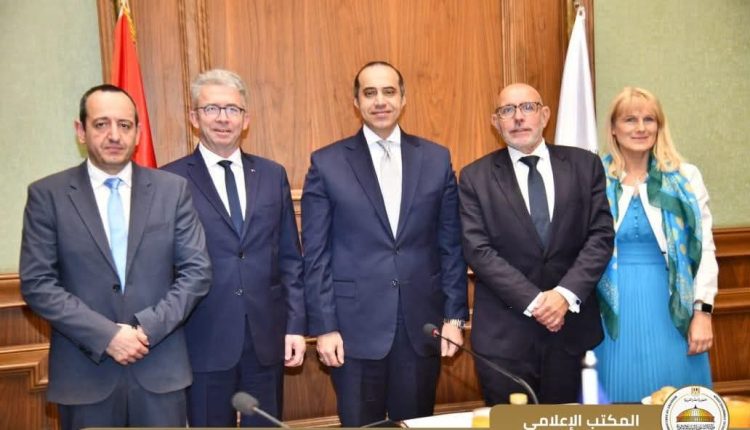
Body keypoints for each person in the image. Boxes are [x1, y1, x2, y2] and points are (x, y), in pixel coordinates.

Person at [19, 84, 211, 430]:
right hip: (85, 376)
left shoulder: (172, 190)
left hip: (159, 371)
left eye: (124, 125)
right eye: (101, 124)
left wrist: (146, 329)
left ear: (138, 133)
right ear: (80, 131)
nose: (114, 135)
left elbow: (196, 272)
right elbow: (38, 284)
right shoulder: (48, 195)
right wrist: (107, 336)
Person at [301, 61, 468, 426]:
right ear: (356, 102)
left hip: (421, 327)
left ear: (403, 99)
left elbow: (451, 246)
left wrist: (454, 317)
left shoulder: (436, 159)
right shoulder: (327, 163)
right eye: (370, 93)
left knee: (416, 423)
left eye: (389, 92)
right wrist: (325, 327)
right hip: (353, 331)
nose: (380, 101)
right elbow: (315, 256)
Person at [161, 69, 305, 427]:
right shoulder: (168, 181)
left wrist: (296, 326)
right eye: (212, 109)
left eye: (232, 109)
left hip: (267, 340)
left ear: (246, 119)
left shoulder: (272, 174)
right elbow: (161, 268)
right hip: (202, 341)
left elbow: (290, 259)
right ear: (194, 118)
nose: (223, 118)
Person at [458, 83, 614, 404]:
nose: (518, 117)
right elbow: (478, 250)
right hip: (505, 339)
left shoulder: (585, 165)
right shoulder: (475, 177)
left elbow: (600, 236)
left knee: (566, 424)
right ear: (496, 122)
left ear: (544, 115)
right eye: (507, 110)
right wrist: (536, 301)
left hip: (570, 332)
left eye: (527, 107)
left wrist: (564, 295)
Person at [594, 87, 718, 402]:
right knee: (616, 402)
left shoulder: (685, 177)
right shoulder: (593, 176)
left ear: (659, 126)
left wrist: (703, 312)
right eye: (630, 119)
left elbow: (704, 249)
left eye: (649, 119)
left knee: (680, 407)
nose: (640, 128)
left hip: (674, 309)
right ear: (613, 128)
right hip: (609, 312)